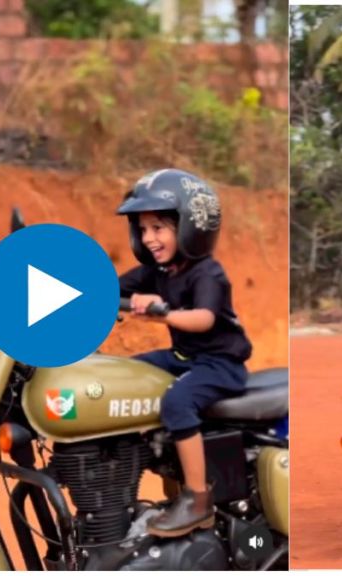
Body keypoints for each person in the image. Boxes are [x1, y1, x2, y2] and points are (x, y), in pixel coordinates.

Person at [117, 168, 252, 538]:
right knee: (122, 379)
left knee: (177, 403)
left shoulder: (208, 273)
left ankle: (197, 499)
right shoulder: (158, 270)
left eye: (158, 228)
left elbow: (204, 318)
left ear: (192, 225)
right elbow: (111, 287)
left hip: (220, 365)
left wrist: (161, 312)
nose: (149, 238)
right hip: (184, 358)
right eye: (143, 230)